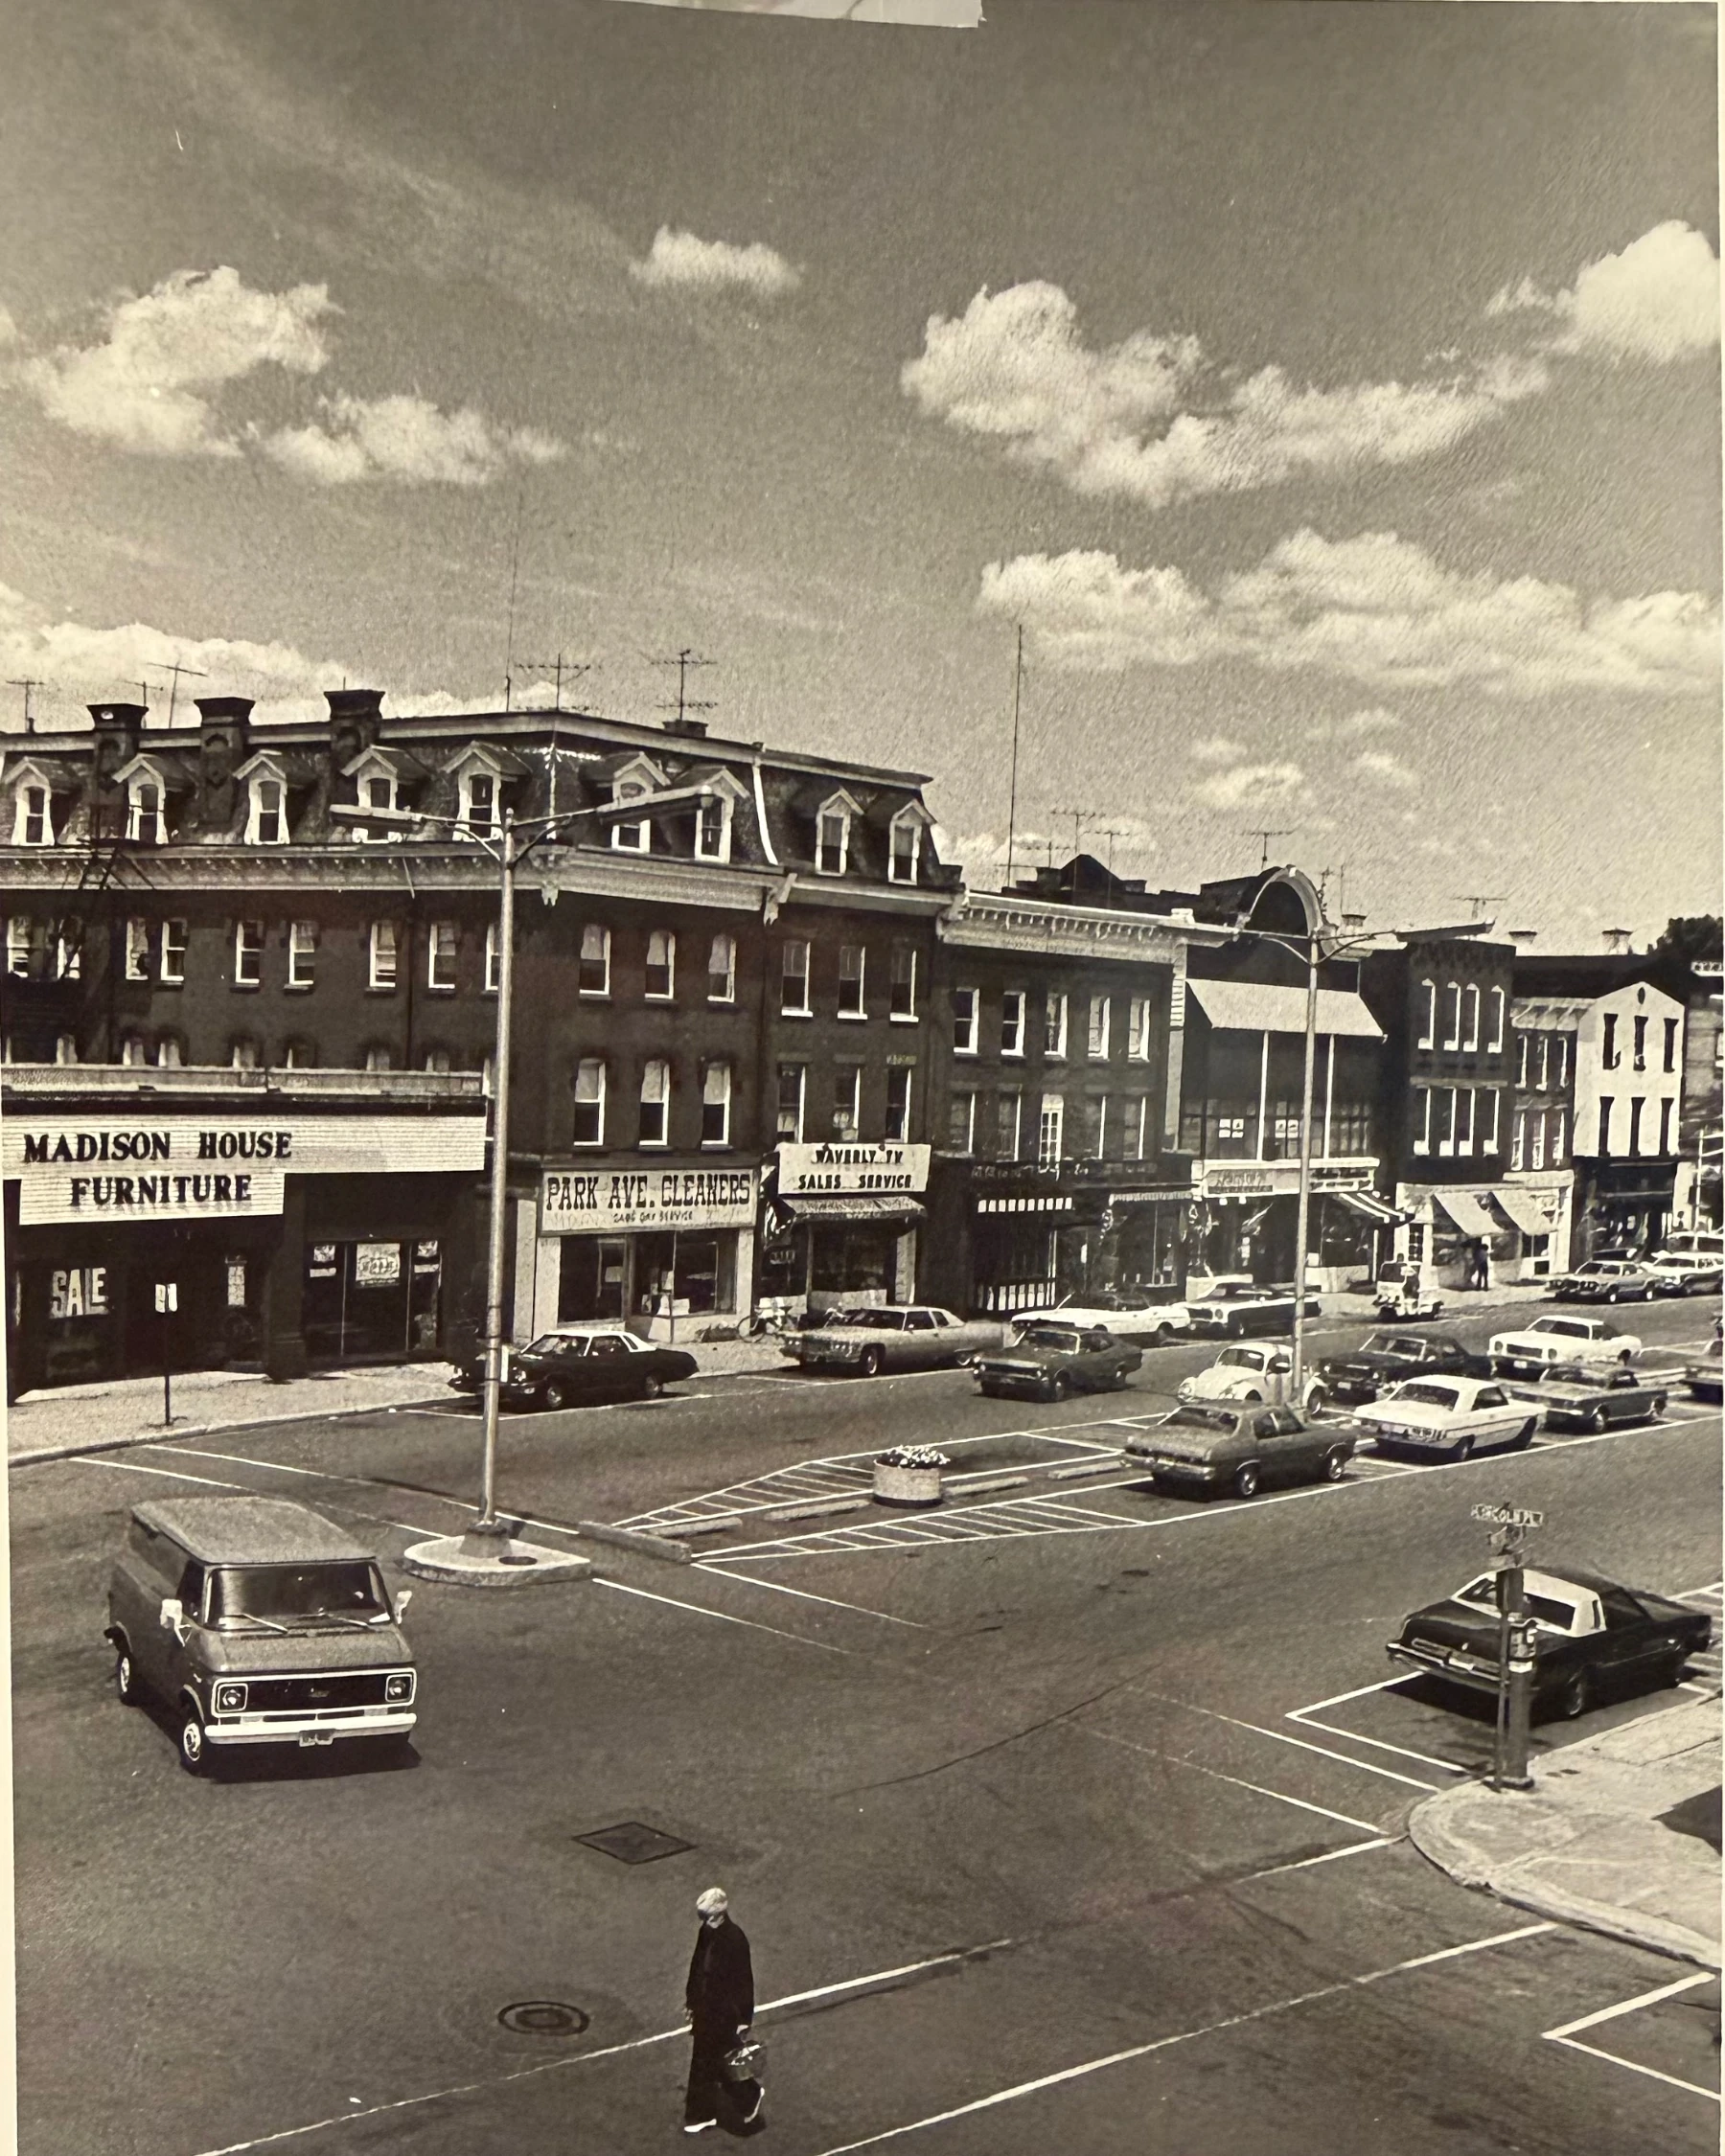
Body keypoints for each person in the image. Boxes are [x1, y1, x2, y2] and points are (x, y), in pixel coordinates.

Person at [683, 1887, 762, 2135]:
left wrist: (743, 2020)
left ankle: (705, 2113)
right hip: (707, 2009)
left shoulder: (735, 1940)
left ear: (720, 1914)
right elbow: (697, 1967)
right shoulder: (707, 1931)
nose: (705, 1922)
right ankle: (743, 2095)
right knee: (711, 2061)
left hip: (724, 2013)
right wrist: (691, 2002)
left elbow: (744, 1982)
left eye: (708, 1917)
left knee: (710, 2061)